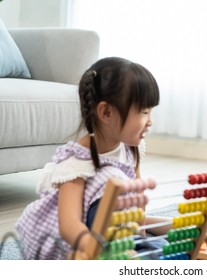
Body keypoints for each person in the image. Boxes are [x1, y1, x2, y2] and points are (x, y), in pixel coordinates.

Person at [15, 57, 162, 260]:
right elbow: (70, 226)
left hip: (116, 230)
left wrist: (140, 234)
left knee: (161, 248)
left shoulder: (131, 148)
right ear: (106, 112)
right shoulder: (76, 164)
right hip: (80, 242)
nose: (150, 121)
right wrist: (103, 251)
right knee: (111, 178)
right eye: (144, 112)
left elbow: (137, 202)